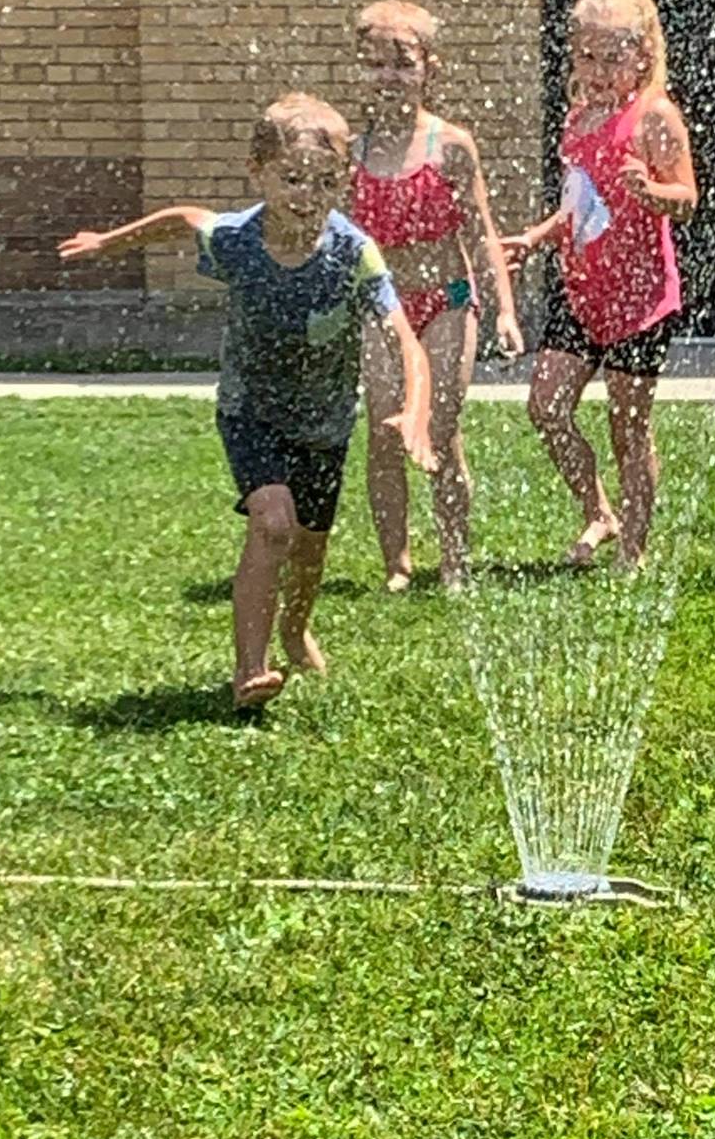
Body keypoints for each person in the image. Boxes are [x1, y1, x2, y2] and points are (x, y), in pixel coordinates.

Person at [59, 93, 436, 707]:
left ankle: (295, 628)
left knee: (311, 551)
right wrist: (110, 244)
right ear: (256, 171)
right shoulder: (236, 239)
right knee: (273, 523)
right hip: (251, 411)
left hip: (325, 423)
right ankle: (248, 672)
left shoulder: (352, 253)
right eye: (290, 179)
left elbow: (403, 339)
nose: (305, 196)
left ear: (344, 182)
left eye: (324, 182)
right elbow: (184, 218)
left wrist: (415, 409)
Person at [505, 0, 697, 571]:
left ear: (643, 54)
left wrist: (653, 190)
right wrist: (537, 238)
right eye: (586, 55)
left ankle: (633, 550)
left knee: (628, 427)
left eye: (613, 57)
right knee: (546, 406)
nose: (597, 69)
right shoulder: (580, 117)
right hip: (583, 289)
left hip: (640, 300)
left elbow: (687, 197)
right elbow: (580, 206)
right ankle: (598, 511)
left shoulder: (654, 116)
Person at [352, 0, 524, 592]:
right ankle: (397, 562)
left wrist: (503, 307)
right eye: (375, 64)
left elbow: (480, 232)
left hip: (448, 301)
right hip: (385, 311)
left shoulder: (451, 146)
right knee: (383, 429)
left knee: (441, 430)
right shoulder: (351, 153)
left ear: (430, 68)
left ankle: (453, 559)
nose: (389, 76)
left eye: (401, 62)